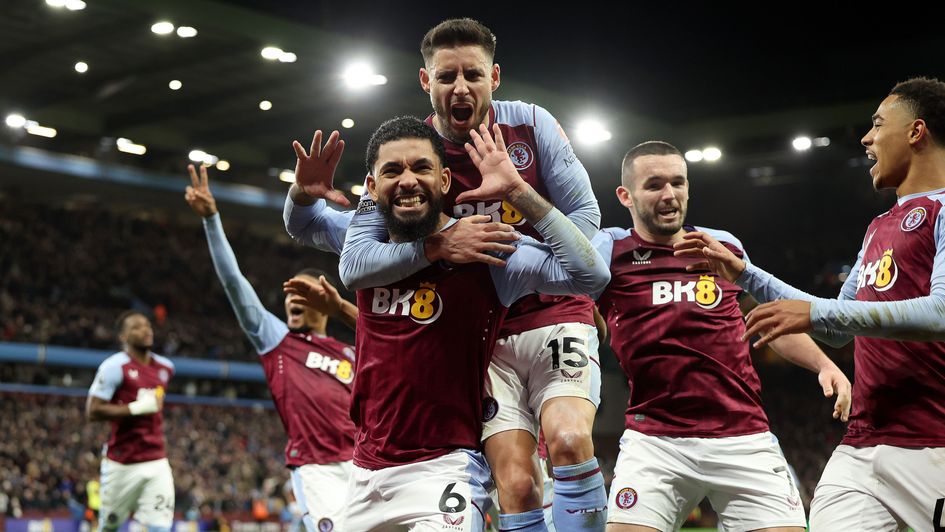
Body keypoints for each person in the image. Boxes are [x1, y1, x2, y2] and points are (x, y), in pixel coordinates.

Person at [293, 18, 606, 531]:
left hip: (551, 304)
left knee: (569, 442)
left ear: (495, 77)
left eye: (473, 75)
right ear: (426, 81)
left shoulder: (530, 125)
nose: (461, 88)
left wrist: (517, 200)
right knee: (519, 485)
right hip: (487, 335)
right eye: (447, 77)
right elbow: (347, 256)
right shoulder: (409, 154)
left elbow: (588, 232)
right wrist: (437, 244)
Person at [674, 77, 945, 532]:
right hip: (861, 448)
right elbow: (837, 327)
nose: (866, 138)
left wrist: (817, 313)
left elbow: (940, 314)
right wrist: (746, 274)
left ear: (916, 132)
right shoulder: (879, 226)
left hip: (933, 444)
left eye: (877, 125)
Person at [589, 141, 852, 532]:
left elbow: (765, 320)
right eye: (654, 185)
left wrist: (824, 364)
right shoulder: (610, 250)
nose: (669, 195)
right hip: (655, 440)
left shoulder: (722, 245)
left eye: (678, 183)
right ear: (625, 195)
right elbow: (576, 312)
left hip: (743, 435)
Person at [184, 163, 358, 532]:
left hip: (365, 464)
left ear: (323, 298)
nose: (290, 299)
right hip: (316, 469)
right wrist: (212, 220)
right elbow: (234, 284)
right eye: (287, 293)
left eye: (301, 291)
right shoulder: (278, 342)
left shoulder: (352, 354)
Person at [86, 311, 176, 532]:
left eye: (147, 325)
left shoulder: (165, 368)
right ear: (123, 336)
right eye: (137, 327)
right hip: (122, 462)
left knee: (160, 527)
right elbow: (92, 411)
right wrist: (134, 408)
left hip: (156, 460)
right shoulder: (114, 367)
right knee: (109, 527)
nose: (146, 330)